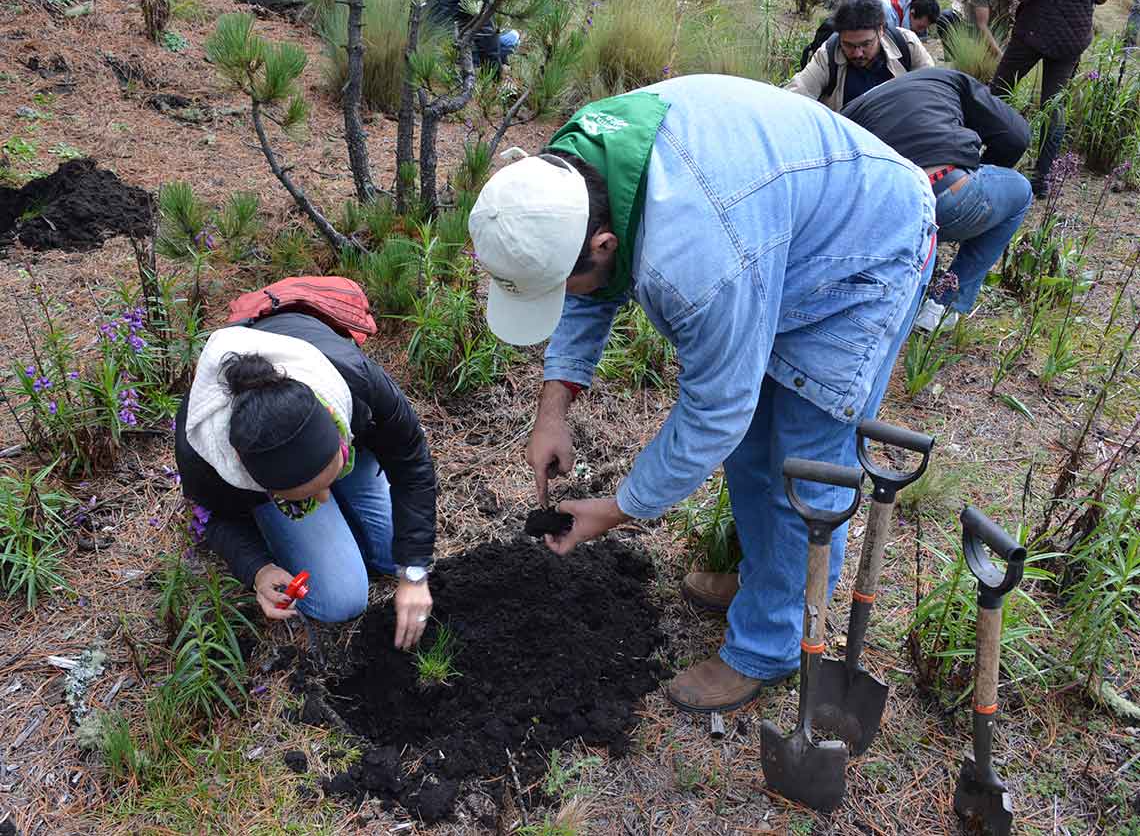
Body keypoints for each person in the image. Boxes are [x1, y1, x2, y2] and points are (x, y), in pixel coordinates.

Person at [468, 75, 937, 713]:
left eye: (561, 284)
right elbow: (583, 289)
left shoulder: (696, 264)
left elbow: (714, 411)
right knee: (752, 450)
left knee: (801, 459)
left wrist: (618, 508)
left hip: (862, 252)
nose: (565, 295)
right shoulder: (566, 177)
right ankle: (768, 583)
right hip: (777, 226)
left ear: (604, 246)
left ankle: (771, 644)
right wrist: (554, 410)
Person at [174, 311, 437, 649]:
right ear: (252, 478)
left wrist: (414, 571)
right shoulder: (205, 454)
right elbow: (212, 516)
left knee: (395, 552)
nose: (323, 499)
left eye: (331, 478)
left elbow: (410, 456)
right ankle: (308, 494)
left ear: (336, 425)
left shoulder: (351, 377)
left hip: (331, 436)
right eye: (305, 495)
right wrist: (259, 570)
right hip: (288, 472)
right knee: (339, 598)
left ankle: (320, 484)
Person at [842, 68, 1032, 332]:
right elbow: (1017, 136)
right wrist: (976, 174)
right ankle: (943, 306)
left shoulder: (851, 109)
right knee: (1021, 191)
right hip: (945, 194)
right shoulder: (951, 80)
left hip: (881, 216)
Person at [989, 0, 1114, 195]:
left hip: (1036, 27)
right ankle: (1043, 177)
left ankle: (973, 151)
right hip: (1074, 34)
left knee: (999, 90)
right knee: (1054, 106)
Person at [787, 0, 935, 112]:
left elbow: (932, 89)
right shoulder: (828, 55)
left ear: (881, 30)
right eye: (849, 45)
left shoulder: (906, 44)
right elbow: (797, 93)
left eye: (866, 44)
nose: (858, 53)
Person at [426, 0, 520, 71]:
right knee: (512, 39)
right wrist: (496, 80)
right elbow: (488, 44)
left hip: (431, 38)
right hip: (450, 50)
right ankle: (473, 64)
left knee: (506, 37)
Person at [938, 0, 1017, 60]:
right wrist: (1000, 57)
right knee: (946, 18)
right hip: (968, 23)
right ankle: (953, 60)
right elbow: (982, 25)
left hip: (996, 33)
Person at [876, 0, 942, 36]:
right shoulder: (884, 15)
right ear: (912, 13)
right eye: (920, 27)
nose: (921, 31)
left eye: (925, 28)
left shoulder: (907, 6)